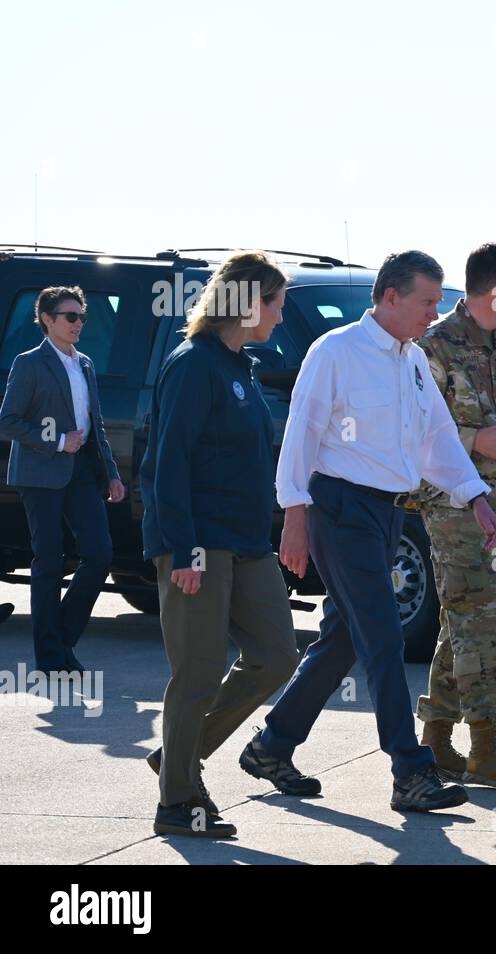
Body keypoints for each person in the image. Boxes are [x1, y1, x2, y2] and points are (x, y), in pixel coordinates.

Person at [248, 250, 496, 814]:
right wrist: (293, 512)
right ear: (390, 296)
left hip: (388, 513)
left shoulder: (413, 360)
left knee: (343, 638)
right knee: (384, 637)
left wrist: (476, 497)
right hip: (338, 509)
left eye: (441, 302)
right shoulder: (336, 351)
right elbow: (302, 432)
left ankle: (272, 745)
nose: (436, 313)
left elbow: (437, 437)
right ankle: (410, 772)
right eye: (428, 301)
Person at [137, 252, 303, 839]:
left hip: (246, 541)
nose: (280, 317)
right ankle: (178, 802)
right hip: (199, 544)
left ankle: (177, 755)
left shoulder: (242, 365)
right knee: (199, 672)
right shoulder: (193, 364)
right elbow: (168, 464)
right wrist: (182, 549)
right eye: (278, 304)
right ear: (250, 302)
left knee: (278, 656)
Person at [413, 243, 496, 788]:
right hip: (453, 503)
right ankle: (486, 745)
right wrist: (478, 440)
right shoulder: (432, 346)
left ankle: (437, 739)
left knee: (463, 617)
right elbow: (414, 431)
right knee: (484, 619)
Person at [0, 286, 124, 674]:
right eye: (70, 317)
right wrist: (55, 440)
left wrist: (113, 474)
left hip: (84, 473)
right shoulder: (29, 363)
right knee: (49, 561)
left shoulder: (85, 363)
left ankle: (60, 639)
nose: (78, 324)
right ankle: (52, 658)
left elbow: (96, 424)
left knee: (100, 553)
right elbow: (8, 420)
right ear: (47, 320)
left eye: (82, 317)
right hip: (40, 474)